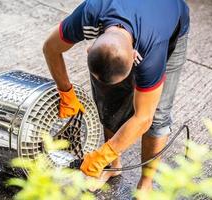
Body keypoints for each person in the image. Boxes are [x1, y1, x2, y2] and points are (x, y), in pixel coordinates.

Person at [43, 0, 190, 194]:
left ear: (136, 56)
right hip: (135, 17)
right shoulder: (90, 13)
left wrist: (103, 154)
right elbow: (50, 48)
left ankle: (145, 184)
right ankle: (113, 167)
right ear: (91, 46)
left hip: (170, 22)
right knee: (110, 103)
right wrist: (66, 92)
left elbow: (143, 118)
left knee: (158, 116)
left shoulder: (151, 55)